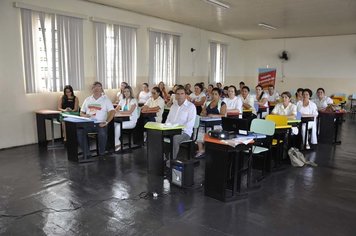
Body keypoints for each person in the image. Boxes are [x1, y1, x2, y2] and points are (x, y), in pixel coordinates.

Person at [79, 81, 115, 157]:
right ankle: (87, 153)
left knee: (102, 133)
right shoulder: (87, 99)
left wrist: (106, 122)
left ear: (101, 89)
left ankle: (102, 152)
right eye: (94, 87)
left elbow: (112, 111)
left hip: (100, 123)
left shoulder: (106, 100)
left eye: (99, 86)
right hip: (88, 123)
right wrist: (84, 115)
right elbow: (81, 113)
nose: (96, 88)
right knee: (79, 132)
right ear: (92, 89)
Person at [165, 85, 196, 160]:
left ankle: (170, 162)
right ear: (175, 96)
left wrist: (178, 129)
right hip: (171, 130)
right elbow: (168, 119)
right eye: (178, 94)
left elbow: (190, 123)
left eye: (182, 93)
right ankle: (162, 158)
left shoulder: (191, 106)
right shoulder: (173, 106)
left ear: (185, 95)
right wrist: (167, 127)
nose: (179, 96)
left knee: (175, 138)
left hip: (184, 132)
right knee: (157, 135)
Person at [196, 88, 227, 158]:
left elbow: (223, 115)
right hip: (206, 122)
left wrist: (213, 115)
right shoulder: (207, 103)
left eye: (216, 94)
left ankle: (204, 149)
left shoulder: (222, 104)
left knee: (209, 131)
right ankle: (200, 149)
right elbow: (202, 113)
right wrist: (203, 113)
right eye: (212, 94)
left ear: (219, 95)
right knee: (198, 130)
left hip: (217, 123)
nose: (213, 96)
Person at [115, 86, 138, 151]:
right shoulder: (122, 100)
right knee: (113, 125)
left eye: (128, 91)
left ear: (130, 92)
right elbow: (116, 109)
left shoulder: (134, 100)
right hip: (124, 120)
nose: (126, 93)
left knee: (118, 126)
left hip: (131, 121)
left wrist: (120, 112)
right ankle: (116, 143)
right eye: (124, 91)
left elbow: (130, 112)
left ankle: (117, 144)